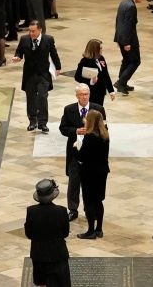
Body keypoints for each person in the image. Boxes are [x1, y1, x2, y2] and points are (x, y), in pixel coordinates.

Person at [58, 84, 106, 222]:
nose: (84, 97)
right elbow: (63, 128)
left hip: (91, 155)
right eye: (81, 94)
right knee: (74, 183)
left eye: (86, 94)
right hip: (75, 153)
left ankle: (89, 209)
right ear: (77, 96)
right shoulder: (69, 109)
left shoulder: (98, 109)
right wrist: (75, 131)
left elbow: (104, 129)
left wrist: (91, 132)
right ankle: (72, 210)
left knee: (89, 184)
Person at [13, 21, 61, 134]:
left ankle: (43, 123)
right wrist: (17, 57)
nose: (31, 33)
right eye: (29, 30)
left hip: (43, 74)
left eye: (33, 31)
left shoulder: (48, 39)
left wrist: (58, 67)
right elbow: (19, 52)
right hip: (29, 74)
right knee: (31, 98)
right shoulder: (24, 39)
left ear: (40, 30)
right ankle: (32, 121)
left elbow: (53, 53)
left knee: (42, 97)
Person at [24, 179, 71, 287]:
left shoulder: (31, 211)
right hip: (58, 255)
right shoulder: (61, 211)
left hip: (39, 255)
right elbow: (65, 233)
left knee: (42, 283)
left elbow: (29, 234)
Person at [76, 110, 110, 239]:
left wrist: (76, 149)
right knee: (98, 201)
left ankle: (90, 231)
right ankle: (99, 229)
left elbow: (82, 156)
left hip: (90, 173)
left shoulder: (90, 137)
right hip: (102, 172)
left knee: (89, 201)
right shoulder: (105, 134)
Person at [113, 0, 143, 95]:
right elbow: (128, 26)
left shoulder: (124, 2)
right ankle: (121, 82)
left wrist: (120, 39)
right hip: (128, 39)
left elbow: (118, 22)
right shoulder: (131, 6)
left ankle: (122, 82)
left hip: (121, 37)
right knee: (135, 61)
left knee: (126, 60)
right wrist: (126, 42)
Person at [74, 39, 115, 105]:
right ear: (95, 49)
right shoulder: (85, 61)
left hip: (101, 91)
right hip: (91, 92)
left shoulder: (101, 58)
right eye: (100, 48)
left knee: (99, 111)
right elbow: (77, 77)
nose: (102, 50)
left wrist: (111, 91)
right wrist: (90, 81)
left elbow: (106, 75)